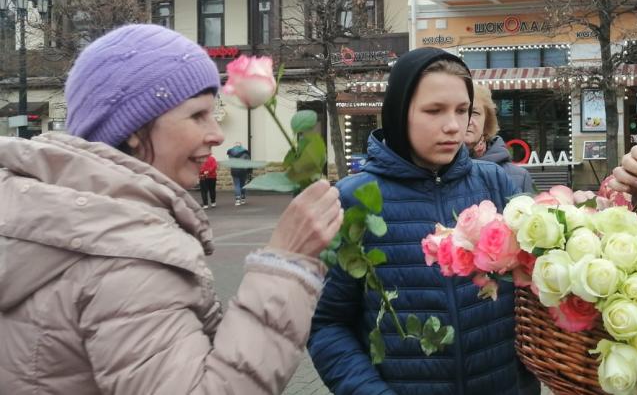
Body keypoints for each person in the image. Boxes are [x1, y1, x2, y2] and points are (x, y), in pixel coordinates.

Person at [0, 24, 344, 394]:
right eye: (197, 115)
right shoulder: (123, 254)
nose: (216, 135)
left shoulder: (49, 214)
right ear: (134, 127)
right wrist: (286, 264)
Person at [308, 48, 538, 395]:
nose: (453, 125)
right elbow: (326, 324)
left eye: (463, 110)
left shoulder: (494, 183)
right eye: (434, 110)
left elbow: (533, 295)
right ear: (401, 113)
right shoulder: (355, 200)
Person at [465, 82, 535, 193]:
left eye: (474, 112)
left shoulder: (519, 178)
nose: (468, 120)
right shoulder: (435, 175)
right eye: (461, 112)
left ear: (487, 122)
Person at [227, 141, 251, 206]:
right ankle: (243, 198)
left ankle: (237, 200)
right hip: (243, 170)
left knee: (236, 185)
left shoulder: (231, 152)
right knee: (243, 184)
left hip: (234, 170)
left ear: (234, 146)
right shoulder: (245, 152)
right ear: (241, 146)